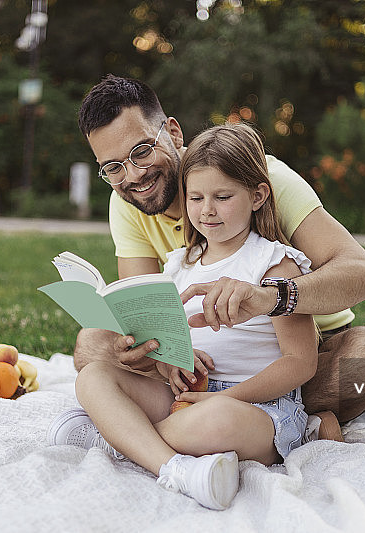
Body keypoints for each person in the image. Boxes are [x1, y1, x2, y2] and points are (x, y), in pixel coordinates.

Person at [71, 75, 365, 425]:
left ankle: (280, 414)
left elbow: (364, 275)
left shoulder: (262, 178)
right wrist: (148, 351)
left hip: (299, 349)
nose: (133, 175)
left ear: (173, 133)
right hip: (204, 361)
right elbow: (145, 313)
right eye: (113, 167)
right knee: (92, 343)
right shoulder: (125, 202)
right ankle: (219, 411)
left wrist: (269, 297)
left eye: (141, 152)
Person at [48, 123, 343, 510]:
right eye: (195, 197)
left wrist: (221, 399)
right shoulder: (178, 265)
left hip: (257, 406)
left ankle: (121, 437)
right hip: (186, 396)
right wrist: (172, 364)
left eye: (222, 196)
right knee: (94, 376)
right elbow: (172, 347)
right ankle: (174, 467)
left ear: (257, 196)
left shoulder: (275, 266)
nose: (207, 210)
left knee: (215, 421)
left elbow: (301, 363)